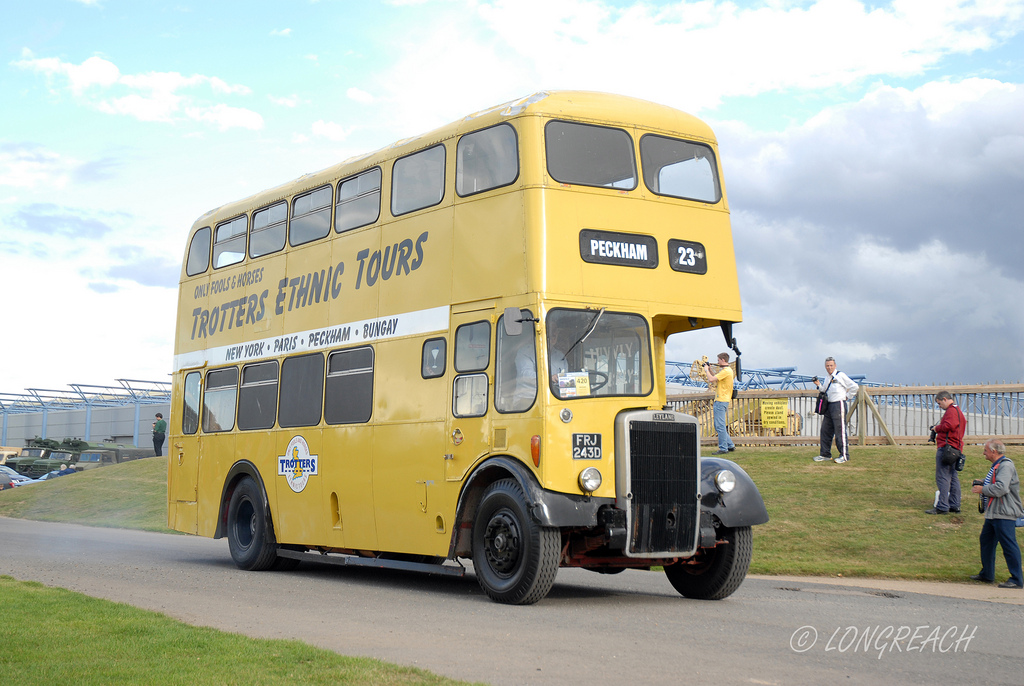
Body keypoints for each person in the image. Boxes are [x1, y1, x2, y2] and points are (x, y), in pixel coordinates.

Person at [969, 440, 1023, 588]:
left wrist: (982, 490)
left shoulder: (1006, 465)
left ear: (994, 451)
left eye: (985, 450)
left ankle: (1017, 579)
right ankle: (987, 574)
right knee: (986, 541)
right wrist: (983, 483)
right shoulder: (998, 466)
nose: (984, 453)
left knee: (1009, 545)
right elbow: (997, 484)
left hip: (1004, 512)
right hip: (994, 512)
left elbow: (1001, 488)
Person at [925, 390, 966, 514]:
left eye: (939, 403)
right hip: (956, 448)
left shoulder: (951, 411)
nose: (939, 406)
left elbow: (949, 425)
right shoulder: (957, 411)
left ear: (944, 399)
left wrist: (936, 428)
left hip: (947, 448)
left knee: (943, 477)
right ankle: (954, 504)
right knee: (953, 477)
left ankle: (942, 506)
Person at [811, 356, 858, 463]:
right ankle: (825, 454)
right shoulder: (827, 377)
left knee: (840, 431)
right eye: (827, 366)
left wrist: (848, 396)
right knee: (825, 430)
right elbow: (824, 390)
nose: (829, 367)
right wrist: (818, 385)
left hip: (838, 404)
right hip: (829, 406)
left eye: (831, 365)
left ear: (835, 366)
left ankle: (844, 455)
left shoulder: (840, 375)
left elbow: (854, 386)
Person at [705, 352, 735, 455]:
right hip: (724, 400)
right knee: (720, 425)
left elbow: (711, 379)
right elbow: (716, 378)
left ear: (723, 360)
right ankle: (730, 445)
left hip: (721, 400)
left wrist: (705, 370)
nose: (717, 362)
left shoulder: (726, 371)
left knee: (719, 426)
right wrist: (710, 370)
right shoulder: (727, 371)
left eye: (718, 360)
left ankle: (723, 448)